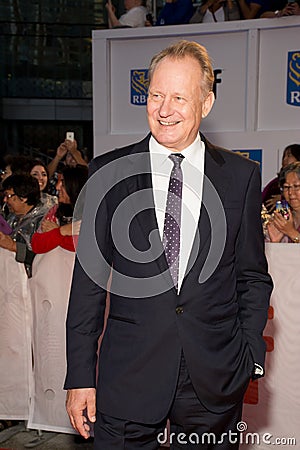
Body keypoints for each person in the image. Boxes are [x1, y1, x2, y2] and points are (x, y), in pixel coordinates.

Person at [64, 40, 273, 449]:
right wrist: (80, 377)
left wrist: (249, 356)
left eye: (179, 97)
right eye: (156, 95)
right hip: (128, 377)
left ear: (206, 102)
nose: (164, 109)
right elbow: (87, 287)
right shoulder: (108, 172)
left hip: (214, 380)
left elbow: (252, 278)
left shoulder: (241, 176)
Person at [31, 165, 88, 254]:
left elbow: (84, 247)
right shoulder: (55, 210)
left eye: (63, 184)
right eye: (58, 182)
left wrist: (56, 233)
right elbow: (36, 244)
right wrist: (63, 231)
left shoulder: (92, 213)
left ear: (76, 186)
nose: (57, 187)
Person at [0, 174, 49, 277]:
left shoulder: (44, 222)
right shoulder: (12, 217)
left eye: (8, 196)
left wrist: (13, 246)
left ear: (23, 198)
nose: (5, 200)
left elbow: (41, 258)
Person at [266, 161, 300, 243]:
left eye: (296, 186)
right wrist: (275, 241)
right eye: (286, 187)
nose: (290, 192)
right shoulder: (282, 219)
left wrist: (291, 232)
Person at [262, 143, 300, 213]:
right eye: (286, 187)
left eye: (289, 155)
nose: (285, 159)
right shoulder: (275, 182)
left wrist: (283, 200)